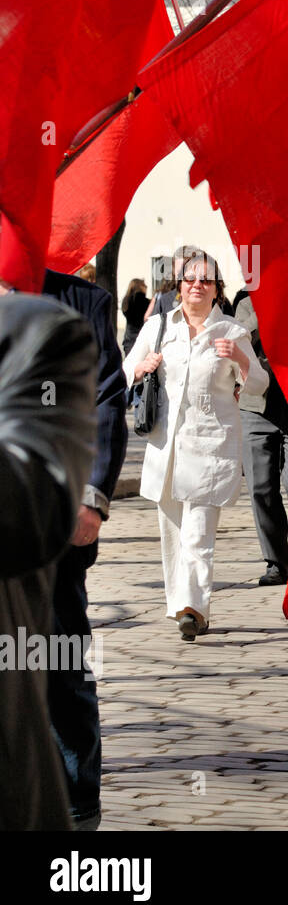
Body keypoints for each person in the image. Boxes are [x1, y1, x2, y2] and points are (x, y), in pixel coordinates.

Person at [123, 249, 267, 640]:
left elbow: (258, 386)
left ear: (218, 290)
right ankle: (179, 604)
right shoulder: (157, 327)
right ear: (179, 287)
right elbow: (127, 370)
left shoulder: (232, 332)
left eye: (205, 280)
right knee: (172, 534)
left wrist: (240, 358)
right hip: (166, 446)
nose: (196, 286)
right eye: (190, 280)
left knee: (197, 534)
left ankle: (195, 608)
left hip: (210, 446)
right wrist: (140, 368)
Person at [0, 292, 97, 830]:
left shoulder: (34, 333)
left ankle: (84, 801)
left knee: (65, 669)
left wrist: (96, 497)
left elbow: (28, 512)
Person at [41, 269, 128, 833]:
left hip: (48, 520)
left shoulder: (79, 301)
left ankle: (77, 811)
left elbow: (104, 396)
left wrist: (92, 497)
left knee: (54, 662)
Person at [232, 289, 288, 587]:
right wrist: (270, 305)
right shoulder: (245, 303)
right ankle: (277, 563)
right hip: (257, 407)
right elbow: (241, 338)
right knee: (261, 487)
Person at [120, 278, 149, 356]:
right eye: (144, 285)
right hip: (141, 339)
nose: (146, 287)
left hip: (128, 339)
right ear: (139, 287)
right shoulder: (143, 302)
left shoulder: (126, 301)